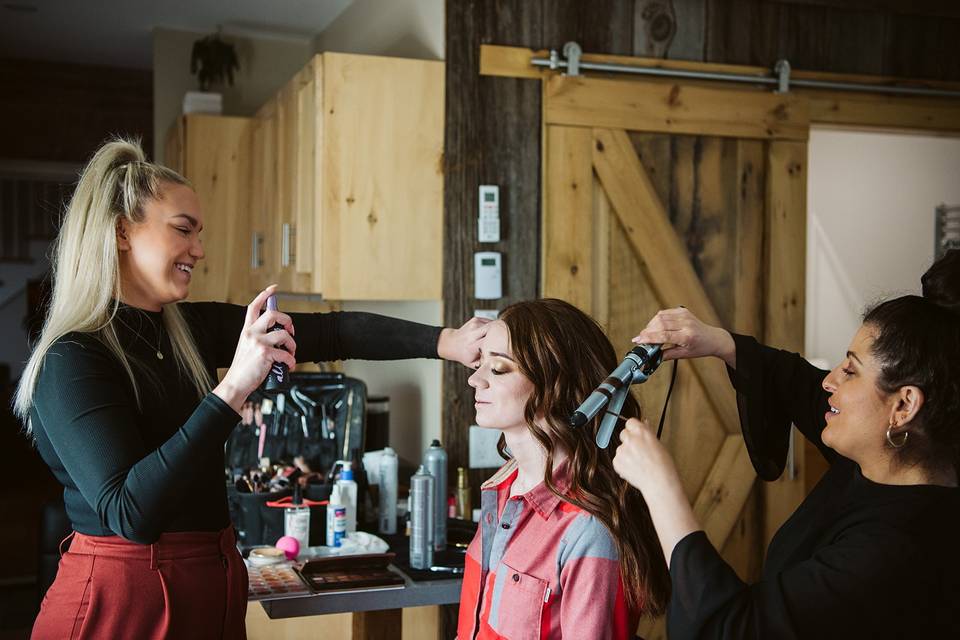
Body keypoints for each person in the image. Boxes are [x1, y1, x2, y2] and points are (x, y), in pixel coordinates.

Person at [16, 137, 486, 640]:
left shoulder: (187, 330)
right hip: (121, 605)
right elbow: (131, 513)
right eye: (183, 230)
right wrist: (234, 386)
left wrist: (446, 341)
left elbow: (335, 331)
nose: (199, 249)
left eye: (199, 233)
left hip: (210, 588)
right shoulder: (73, 358)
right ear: (121, 231)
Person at [612, 252, 960, 639]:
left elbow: (732, 630)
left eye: (850, 370)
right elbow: (798, 384)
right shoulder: (883, 458)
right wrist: (717, 342)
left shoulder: (899, 549)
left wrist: (662, 490)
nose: (830, 381)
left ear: (904, 405)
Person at [457, 298, 670, 640]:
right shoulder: (502, 490)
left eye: (497, 368)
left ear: (556, 384)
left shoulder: (588, 531)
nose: (475, 380)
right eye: (480, 363)